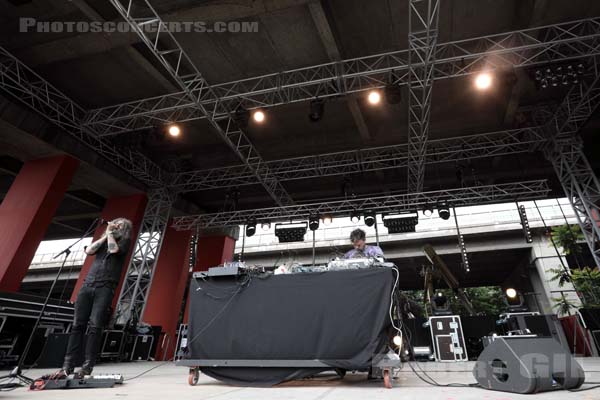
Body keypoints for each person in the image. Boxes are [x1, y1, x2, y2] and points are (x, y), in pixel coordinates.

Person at [57, 218, 133, 379]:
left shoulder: (125, 242)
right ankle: (67, 366)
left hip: (105, 287)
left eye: (120, 224)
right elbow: (89, 251)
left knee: (95, 326)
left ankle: (86, 367)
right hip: (87, 285)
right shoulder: (104, 241)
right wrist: (106, 235)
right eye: (115, 222)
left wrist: (111, 235)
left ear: (125, 229)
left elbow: (113, 250)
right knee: (77, 325)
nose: (116, 225)